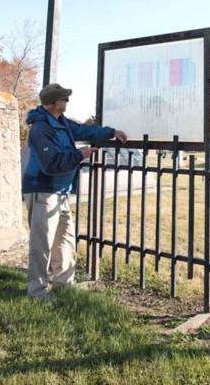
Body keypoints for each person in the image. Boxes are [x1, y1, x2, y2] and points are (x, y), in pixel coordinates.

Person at [23, 83, 127, 300]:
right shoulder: (41, 129)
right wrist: (81, 154)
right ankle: (38, 291)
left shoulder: (61, 122)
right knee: (42, 244)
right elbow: (51, 164)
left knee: (65, 239)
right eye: (65, 99)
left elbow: (83, 130)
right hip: (43, 190)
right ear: (56, 104)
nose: (67, 101)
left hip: (60, 191)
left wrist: (111, 132)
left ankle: (64, 283)